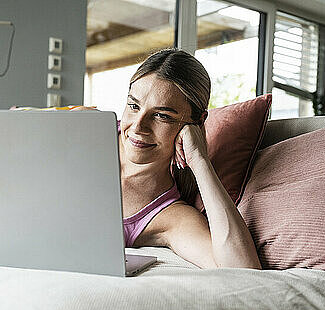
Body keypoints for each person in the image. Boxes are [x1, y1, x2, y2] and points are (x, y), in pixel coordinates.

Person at [111, 48, 261, 270]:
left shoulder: (169, 216)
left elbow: (241, 269)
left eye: (162, 116)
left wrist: (199, 159)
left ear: (197, 122)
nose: (138, 127)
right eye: (134, 106)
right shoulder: (87, 134)